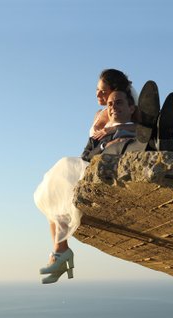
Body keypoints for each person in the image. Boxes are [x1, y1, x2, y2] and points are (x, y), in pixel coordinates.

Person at [34, 69, 137, 284]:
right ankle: (60, 251)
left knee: (61, 175)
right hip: (90, 157)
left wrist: (114, 130)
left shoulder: (120, 107)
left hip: (100, 162)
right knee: (52, 196)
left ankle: (61, 253)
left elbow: (143, 129)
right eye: (97, 91)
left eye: (103, 91)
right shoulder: (102, 111)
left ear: (115, 91)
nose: (99, 96)